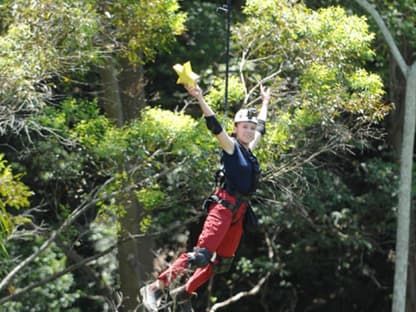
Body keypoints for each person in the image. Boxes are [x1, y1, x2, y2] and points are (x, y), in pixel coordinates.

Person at [140, 82, 270, 312]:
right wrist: (200, 97)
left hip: (239, 213)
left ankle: (184, 294)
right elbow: (214, 125)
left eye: (251, 128)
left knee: (222, 264)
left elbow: (261, 126)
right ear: (236, 128)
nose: (249, 131)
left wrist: (265, 102)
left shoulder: (250, 151)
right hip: (223, 208)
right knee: (201, 256)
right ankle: (156, 287)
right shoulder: (231, 147)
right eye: (245, 127)